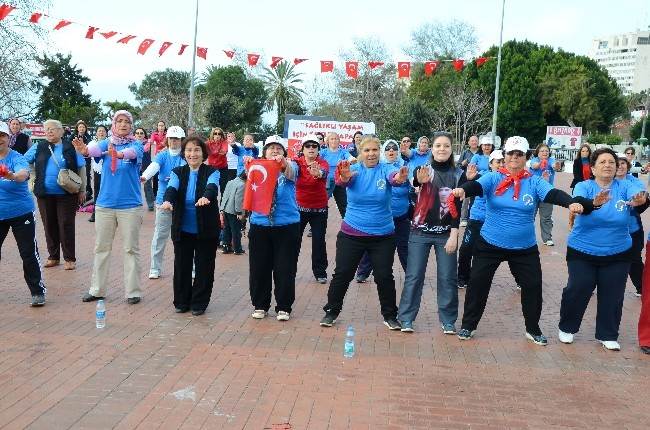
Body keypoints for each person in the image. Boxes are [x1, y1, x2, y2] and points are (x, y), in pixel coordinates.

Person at [451, 136, 591, 346]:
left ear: (526, 157)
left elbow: (553, 194)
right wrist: (464, 189)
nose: (515, 157)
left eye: (519, 154)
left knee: (533, 286)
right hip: (489, 243)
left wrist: (570, 203)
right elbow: (476, 186)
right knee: (478, 284)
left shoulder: (534, 181)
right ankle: (468, 325)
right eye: (511, 153)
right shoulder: (493, 177)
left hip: (524, 247)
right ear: (505, 155)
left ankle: (533, 329)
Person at [558, 148, 646, 351]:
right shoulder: (583, 186)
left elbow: (638, 195)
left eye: (611, 162)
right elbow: (579, 201)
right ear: (593, 168)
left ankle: (608, 334)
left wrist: (641, 199)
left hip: (618, 251)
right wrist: (593, 203)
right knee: (579, 287)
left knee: (613, 293)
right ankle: (567, 328)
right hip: (582, 250)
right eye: (603, 162)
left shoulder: (625, 185)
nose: (608, 165)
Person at [320, 136, 409, 329]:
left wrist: (399, 178)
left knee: (384, 276)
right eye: (367, 150)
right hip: (352, 234)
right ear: (361, 152)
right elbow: (342, 181)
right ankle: (331, 311)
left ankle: (390, 315)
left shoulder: (385, 169)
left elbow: (394, 178)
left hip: (383, 236)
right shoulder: (354, 170)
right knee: (342, 274)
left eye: (374, 150)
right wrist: (344, 177)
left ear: (379, 152)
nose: (371, 154)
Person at [72, 110, 144, 305]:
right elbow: (95, 149)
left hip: (130, 206)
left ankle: (133, 291)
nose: (123, 124)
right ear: (114, 124)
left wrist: (118, 154)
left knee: (131, 249)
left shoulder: (136, 144)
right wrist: (85, 151)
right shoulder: (107, 142)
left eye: (126, 122)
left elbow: (132, 154)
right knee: (101, 248)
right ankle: (97, 290)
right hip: (104, 205)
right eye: (119, 121)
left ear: (131, 125)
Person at [397, 132, 463, 333]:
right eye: (438, 145)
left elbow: (458, 208)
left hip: (446, 234)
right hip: (420, 232)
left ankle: (448, 320)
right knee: (414, 276)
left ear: (451, 149)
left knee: (448, 277)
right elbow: (416, 181)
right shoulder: (423, 169)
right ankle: (406, 318)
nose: (442, 149)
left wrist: (454, 235)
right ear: (432, 149)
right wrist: (418, 180)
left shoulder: (458, 174)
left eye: (446, 146)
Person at [160, 136, 220, 315]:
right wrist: (168, 201)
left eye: (196, 150)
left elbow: (212, 187)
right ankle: (181, 301)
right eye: (188, 150)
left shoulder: (212, 171)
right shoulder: (178, 172)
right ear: (184, 153)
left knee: (204, 267)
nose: (192, 154)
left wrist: (206, 197)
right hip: (182, 228)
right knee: (181, 265)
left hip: (206, 228)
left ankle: (199, 303)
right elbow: (171, 188)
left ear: (203, 153)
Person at [247, 136, 300, 321]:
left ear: (284, 152)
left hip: (287, 225)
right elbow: (247, 183)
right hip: (260, 224)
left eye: (279, 148)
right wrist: (248, 165)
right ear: (264, 152)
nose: (275, 151)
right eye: (271, 148)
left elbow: (291, 171)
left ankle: (284, 306)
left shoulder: (292, 166)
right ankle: (260, 305)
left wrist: (283, 164)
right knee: (259, 268)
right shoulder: (257, 167)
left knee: (285, 268)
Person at [23, 119, 86, 271]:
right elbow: (24, 161)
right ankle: (53, 256)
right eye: (47, 129)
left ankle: (69, 259)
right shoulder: (39, 146)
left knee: (66, 224)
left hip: (67, 194)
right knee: (49, 225)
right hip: (44, 193)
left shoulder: (70, 146)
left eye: (53, 128)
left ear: (61, 131)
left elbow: (81, 167)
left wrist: (82, 190)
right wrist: (32, 177)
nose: (49, 131)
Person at [0, 121, 46, 306]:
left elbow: (23, 174)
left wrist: (10, 175)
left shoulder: (16, 157)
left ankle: (37, 292)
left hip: (21, 213)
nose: (0, 139)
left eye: (2, 135)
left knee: (28, 253)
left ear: (8, 138)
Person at [355, 139, 411, 283]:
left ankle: (411, 275)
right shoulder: (378, 168)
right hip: (382, 218)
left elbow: (410, 183)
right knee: (372, 246)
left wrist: (411, 182)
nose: (391, 151)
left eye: (394, 148)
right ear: (383, 152)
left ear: (398, 151)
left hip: (401, 216)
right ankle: (363, 272)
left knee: (404, 246)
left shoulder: (405, 167)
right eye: (388, 149)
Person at [140, 126, 187, 279]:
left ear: (182, 140)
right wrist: (145, 176)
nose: (174, 141)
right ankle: (155, 268)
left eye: (177, 139)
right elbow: (154, 167)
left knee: (186, 236)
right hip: (163, 201)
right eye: (171, 138)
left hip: (182, 201)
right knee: (160, 235)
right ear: (167, 140)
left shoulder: (186, 156)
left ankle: (190, 267)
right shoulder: (162, 155)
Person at [457, 150, 505, 289]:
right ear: (491, 164)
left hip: (494, 222)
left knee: (498, 252)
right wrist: (469, 179)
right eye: (498, 162)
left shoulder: (509, 180)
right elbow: (469, 185)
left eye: (503, 162)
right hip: (476, 219)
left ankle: (520, 279)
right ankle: (462, 277)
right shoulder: (483, 176)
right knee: (466, 249)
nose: (501, 165)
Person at [295, 134, 330, 283]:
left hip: (319, 210)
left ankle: (320, 272)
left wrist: (318, 173)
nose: (311, 148)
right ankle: (289, 270)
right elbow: (285, 168)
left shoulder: (323, 163)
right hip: (299, 209)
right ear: (302, 149)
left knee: (319, 241)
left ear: (318, 149)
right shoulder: (296, 163)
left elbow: (324, 172)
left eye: (314, 146)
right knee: (293, 241)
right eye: (308, 146)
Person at [614, 155, 648, 297]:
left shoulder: (635, 182)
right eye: (617, 163)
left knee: (634, 260)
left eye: (623, 163)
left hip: (632, 228)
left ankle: (642, 288)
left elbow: (640, 197)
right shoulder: (608, 181)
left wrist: (637, 200)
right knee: (605, 259)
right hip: (611, 229)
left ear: (628, 166)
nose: (620, 166)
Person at [529, 143, 563, 246]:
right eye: (542, 151)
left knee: (546, 217)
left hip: (547, 193)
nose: (545, 153)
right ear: (538, 153)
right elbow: (534, 166)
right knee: (530, 216)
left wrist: (557, 165)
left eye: (546, 151)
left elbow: (555, 166)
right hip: (534, 193)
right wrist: (541, 163)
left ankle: (547, 238)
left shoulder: (551, 160)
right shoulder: (534, 160)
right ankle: (527, 236)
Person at [320, 132, 354, 217]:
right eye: (332, 139)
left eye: (336, 138)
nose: (334, 140)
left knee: (343, 205)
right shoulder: (323, 152)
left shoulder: (343, 151)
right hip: (326, 181)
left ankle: (347, 222)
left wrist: (352, 159)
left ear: (339, 141)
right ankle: (319, 221)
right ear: (328, 141)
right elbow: (316, 159)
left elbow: (350, 157)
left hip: (339, 181)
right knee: (322, 203)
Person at [219, 170, 246, 255]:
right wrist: (239, 212)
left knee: (226, 229)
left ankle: (226, 247)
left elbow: (224, 195)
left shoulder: (230, 182)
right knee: (236, 231)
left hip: (226, 209)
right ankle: (237, 249)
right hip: (234, 211)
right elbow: (238, 200)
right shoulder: (242, 185)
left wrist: (222, 209)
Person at [458, 135, 480, 224]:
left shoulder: (481, 152)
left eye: (475, 141)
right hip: (466, 179)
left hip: (479, 179)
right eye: (472, 141)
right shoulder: (465, 153)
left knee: (477, 199)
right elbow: (458, 166)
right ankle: (463, 218)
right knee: (465, 199)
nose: (474, 142)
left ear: (478, 142)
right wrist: (462, 164)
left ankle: (473, 218)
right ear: (469, 142)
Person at [88, 126, 108, 222]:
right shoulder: (92, 143)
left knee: (107, 191)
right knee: (97, 191)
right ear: (96, 133)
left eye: (103, 131)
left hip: (109, 171)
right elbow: (87, 153)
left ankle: (107, 214)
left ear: (106, 133)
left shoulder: (110, 143)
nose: (101, 133)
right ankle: (95, 213)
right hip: (97, 171)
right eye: (99, 131)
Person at [206, 127, 230, 195]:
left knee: (223, 189)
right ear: (212, 135)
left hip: (223, 168)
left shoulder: (224, 142)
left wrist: (211, 152)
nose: (217, 135)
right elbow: (201, 147)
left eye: (219, 134)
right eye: (215, 133)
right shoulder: (208, 143)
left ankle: (223, 202)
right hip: (212, 168)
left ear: (221, 135)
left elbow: (223, 151)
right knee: (212, 187)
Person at [73, 120, 93, 200]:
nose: (81, 129)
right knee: (76, 175)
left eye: (83, 127)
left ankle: (88, 193)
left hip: (86, 159)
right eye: (80, 127)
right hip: (75, 159)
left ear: (85, 129)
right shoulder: (73, 136)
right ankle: (76, 192)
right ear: (77, 128)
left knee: (87, 175)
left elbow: (90, 146)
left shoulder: (88, 137)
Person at [136, 127, 155, 211]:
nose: (139, 135)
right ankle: (136, 203)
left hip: (146, 168)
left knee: (147, 186)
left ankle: (150, 204)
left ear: (144, 135)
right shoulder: (132, 144)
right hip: (135, 167)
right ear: (134, 135)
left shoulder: (148, 144)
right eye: (137, 133)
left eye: (141, 133)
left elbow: (144, 149)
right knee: (135, 186)